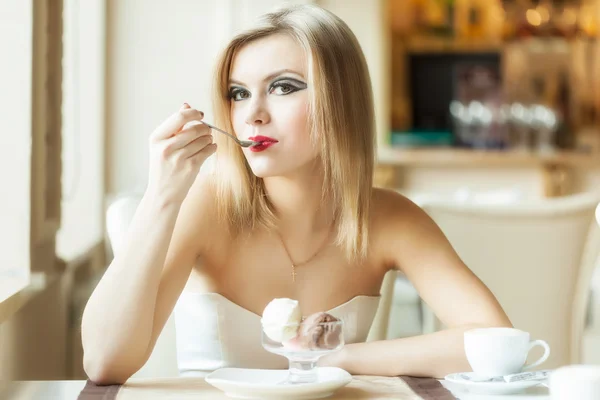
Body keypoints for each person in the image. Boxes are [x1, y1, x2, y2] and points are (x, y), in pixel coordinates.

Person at [81, 4, 511, 385]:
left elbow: (494, 341)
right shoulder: (209, 204)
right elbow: (104, 363)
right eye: (238, 93)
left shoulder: (388, 218)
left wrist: (342, 357)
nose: (253, 114)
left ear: (339, 100)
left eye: (283, 87)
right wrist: (162, 195)